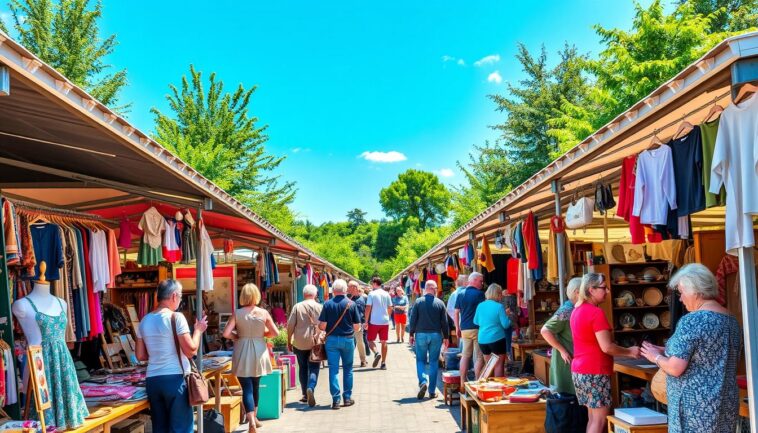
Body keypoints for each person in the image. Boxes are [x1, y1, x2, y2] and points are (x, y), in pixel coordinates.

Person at [640, 264, 740, 433]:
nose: (680, 298)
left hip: (694, 409)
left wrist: (655, 356)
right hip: (725, 404)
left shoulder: (692, 321)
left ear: (696, 291)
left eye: (681, 291)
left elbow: (675, 368)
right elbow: (707, 353)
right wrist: (666, 350)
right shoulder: (731, 321)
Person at [570, 273, 640, 433]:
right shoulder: (596, 312)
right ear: (591, 290)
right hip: (595, 371)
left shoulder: (577, 310)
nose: (607, 291)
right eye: (603, 288)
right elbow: (607, 347)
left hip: (580, 370)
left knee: (593, 419)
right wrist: (629, 352)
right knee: (599, 421)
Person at [136, 280, 208, 433]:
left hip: (153, 380)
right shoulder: (176, 317)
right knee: (180, 428)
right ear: (174, 296)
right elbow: (191, 350)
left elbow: (140, 355)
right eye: (180, 296)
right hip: (175, 379)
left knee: (159, 428)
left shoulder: (144, 320)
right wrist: (198, 331)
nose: (180, 300)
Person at [222, 283, 278, 432]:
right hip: (259, 350)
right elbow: (275, 333)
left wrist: (238, 336)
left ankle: (252, 420)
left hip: (242, 350)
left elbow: (226, 333)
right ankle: (255, 418)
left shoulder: (237, 313)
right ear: (256, 296)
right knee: (255, 386)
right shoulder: (263, 313)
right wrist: (262, 334)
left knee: (246, 387)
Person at [318, 279, 361, 410]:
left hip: (331, 341)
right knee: (348, 369)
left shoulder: (327, 304)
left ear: (333, 290)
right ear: (345, 290)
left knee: (333, 369)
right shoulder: (351, 304)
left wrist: (320, 326)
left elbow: (323, 326)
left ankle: (336, 400)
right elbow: (357, 327)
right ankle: (347, 398)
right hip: (348, 339)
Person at [540, 277, 582, 394]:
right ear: (577, 292)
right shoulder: (566, 311)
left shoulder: (573, 309)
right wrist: (562, 350)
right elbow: (545, 330)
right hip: (567, 361)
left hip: (573, 360)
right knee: (567, 399)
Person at [409, 280, 449, 400]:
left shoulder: (418, 302)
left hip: (420, 334)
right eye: (436, 288)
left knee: (420, 360)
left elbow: (413, 319)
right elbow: (444, 322)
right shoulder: (440, 303)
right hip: (436, 335)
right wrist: (446, 337)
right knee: (433, 362)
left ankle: (423, 381)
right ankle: (432, 391)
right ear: (432, 289)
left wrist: (411, 334)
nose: (437, 290)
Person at [286, 284, 323, 407]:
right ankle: (311, 388)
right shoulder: (320, 307)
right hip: (315, 342)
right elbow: (324, 325)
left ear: (303, 294)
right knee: (314, 367)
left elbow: (290, 325)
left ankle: (304, 394)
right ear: (315, 294)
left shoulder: (297, 307)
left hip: (300, 342)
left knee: (302, 367)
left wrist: (288, 340)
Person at [473, 283, 511, 378]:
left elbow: (476, 321)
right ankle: (498, 390)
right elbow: (506, 325)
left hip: (482, 340)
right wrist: (508, 316)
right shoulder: (499, 306)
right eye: (500, 294)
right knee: (498, 365)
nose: (501, 296)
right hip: (497, 339)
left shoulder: (480, 305)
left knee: (489, 366)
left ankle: (488, 389)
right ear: (498, 294)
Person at [455, 272, 486, 379]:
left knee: (465, 355)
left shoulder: (460, 294)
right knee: (478, 357)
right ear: (474, 280)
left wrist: (457, 328)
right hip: (477, 329)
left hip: (464, 329)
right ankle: (477, 383)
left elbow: (456, 312)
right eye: (481, 281)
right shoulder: (480, 294)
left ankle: (462, 383)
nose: (482, 284)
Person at [365, 276, 393, 369]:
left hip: (374, 321)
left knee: (370, 340)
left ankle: (376, 352)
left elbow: (368, 307)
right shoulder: (387, 294)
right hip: (384, 321)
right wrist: (387, 317)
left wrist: (366, 321)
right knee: (384, 341)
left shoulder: (371, 294)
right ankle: (383, 363)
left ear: (374, 283)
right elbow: (390, 307)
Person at [348, 280, 369, 367]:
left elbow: (366, 311)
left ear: (356, 288)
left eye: (352, 287)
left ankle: (363, 360)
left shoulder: (363, 298)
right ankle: (349, 360)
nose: (350, 289)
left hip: (359, 324)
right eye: (349, 287)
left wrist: (367, 322)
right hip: (348, 324)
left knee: (360, 342)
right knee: (349, 344)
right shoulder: (346, 298)